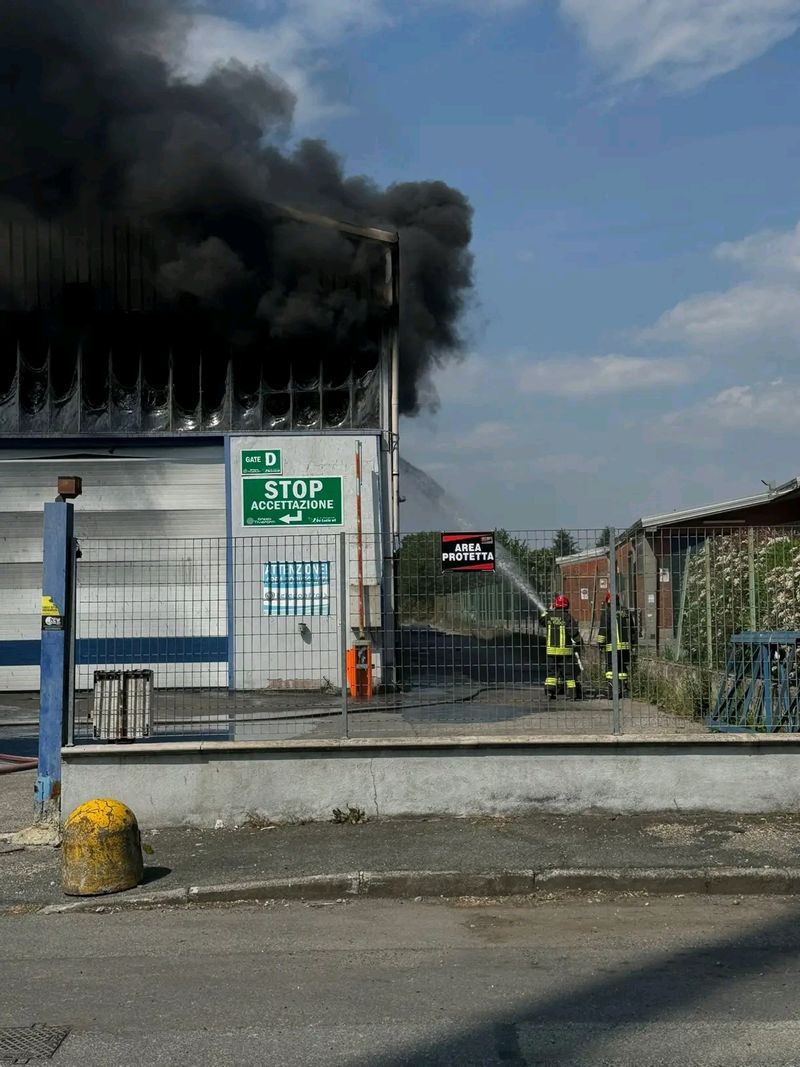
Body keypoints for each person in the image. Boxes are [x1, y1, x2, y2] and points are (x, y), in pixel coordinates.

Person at [541, 594, 582, 699]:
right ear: (567, 605)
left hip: (551, 651)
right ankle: (572, 694)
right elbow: (574, 633)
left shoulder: (549, 616)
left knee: (552, 673)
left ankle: (550, 692)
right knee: (569, 673)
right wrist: (579, 642)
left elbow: (541, 620)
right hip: (565, 651)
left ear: (555, 605)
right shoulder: (567, 617)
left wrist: (548, 610)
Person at [597, 591, 637, 695]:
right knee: (622, 667)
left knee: (611, 668)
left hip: (612, 646)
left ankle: (612, 689)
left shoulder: (607, 612)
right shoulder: (626, 611)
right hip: (625, 646)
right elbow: (632, 629)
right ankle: (623, 687)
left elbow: (603, 629)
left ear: (608, 601)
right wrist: (633, 644)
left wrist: (600, 644)